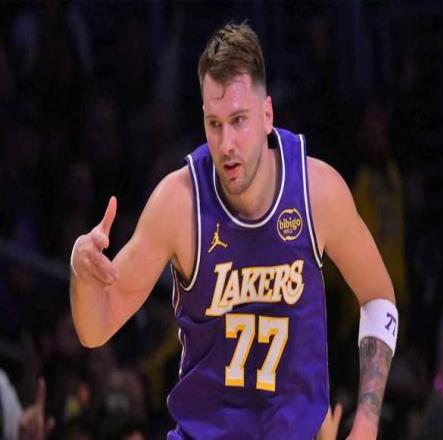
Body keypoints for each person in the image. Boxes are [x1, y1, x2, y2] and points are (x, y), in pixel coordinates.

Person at [70, 22, 398, 439]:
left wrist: (367, 421)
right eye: (215, 123)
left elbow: (379, 298)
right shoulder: (178, 202)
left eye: (239, 120)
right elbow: (94, 329)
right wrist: (81, 273)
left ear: (267, 116)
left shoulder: (318, 192)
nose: (226, 143)